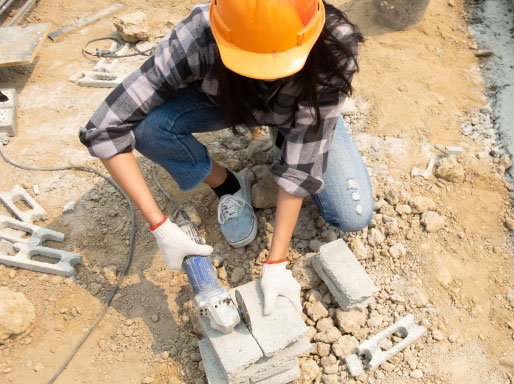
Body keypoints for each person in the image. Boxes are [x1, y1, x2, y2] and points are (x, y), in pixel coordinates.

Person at [78, 0, 373, 315]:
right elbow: (104, 128)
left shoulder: (333, 45)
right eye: (253, 63)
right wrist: (160, 226)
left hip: (306, 110)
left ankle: (288, 133)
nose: (267, 75)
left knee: (352, 215)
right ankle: (229, 185)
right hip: (226, 103)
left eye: (277, 65)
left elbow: (302, 169)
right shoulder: (197, 36)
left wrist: (276, 263)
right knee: (148, 127)